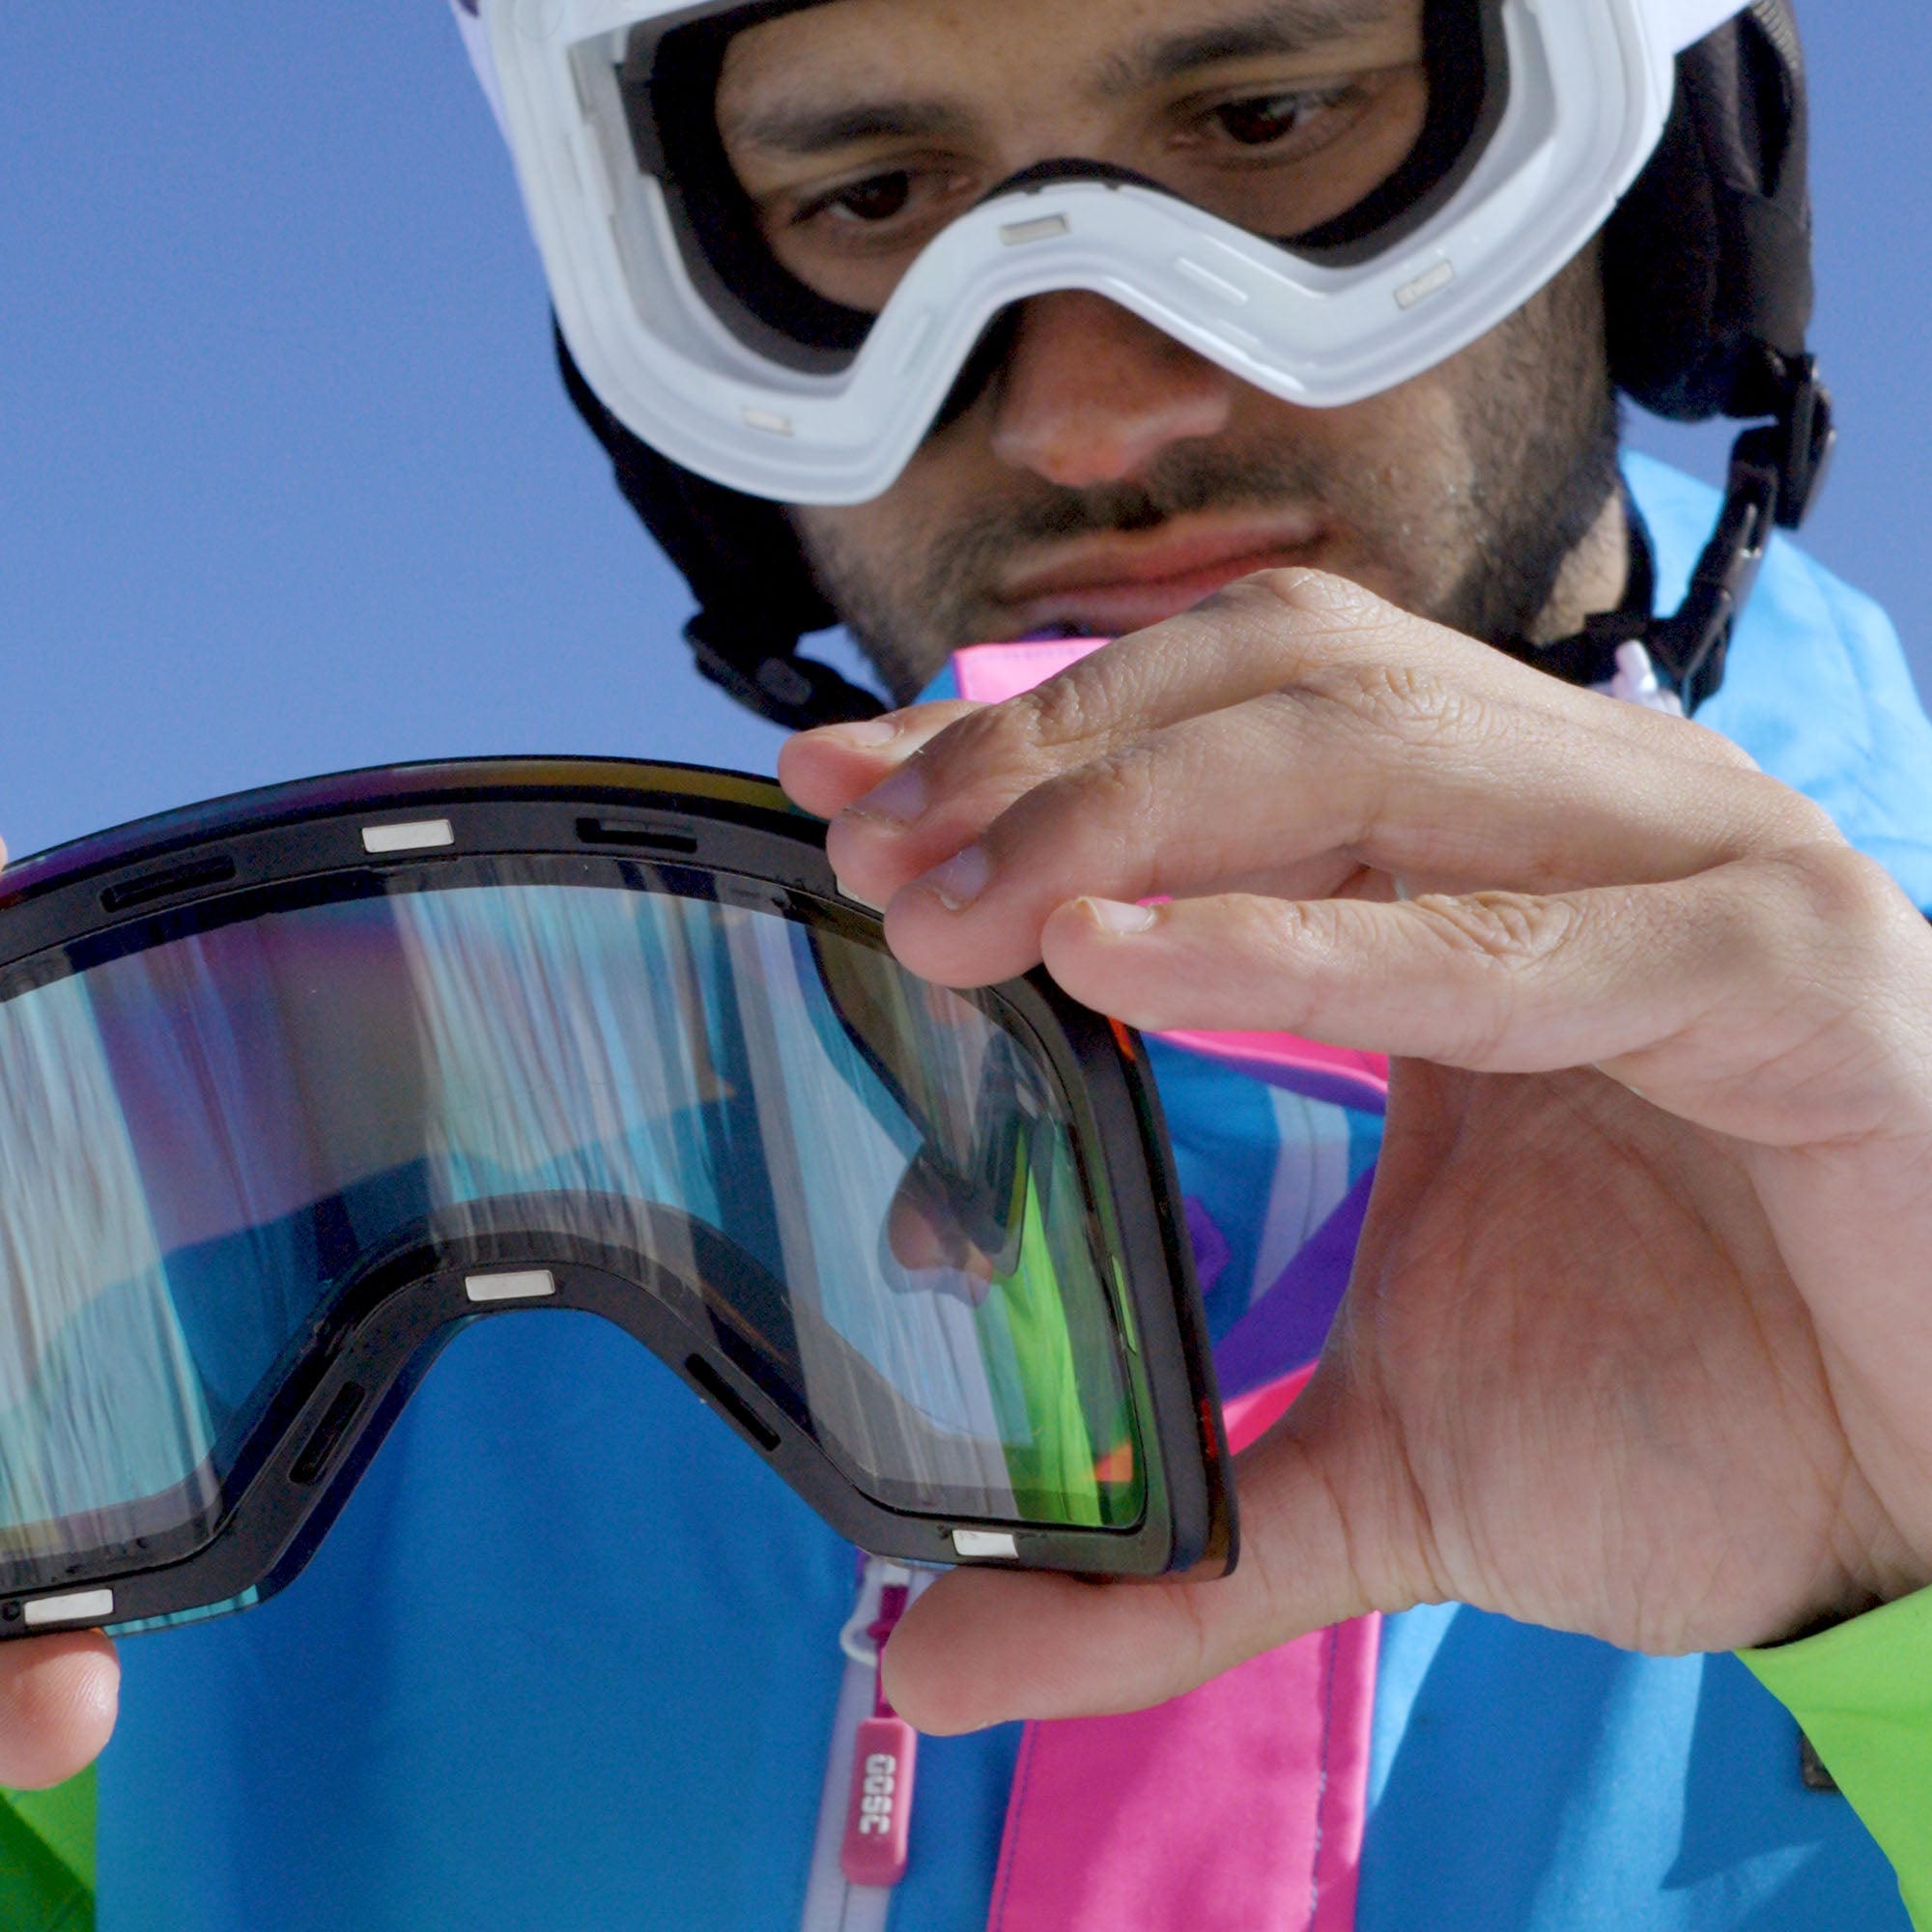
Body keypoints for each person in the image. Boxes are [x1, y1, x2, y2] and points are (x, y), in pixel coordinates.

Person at [5, 0, 1932, 1926]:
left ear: (1656, 186)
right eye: (866, 195)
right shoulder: (265, 1357)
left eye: (1266, 118)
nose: (1089, 414)